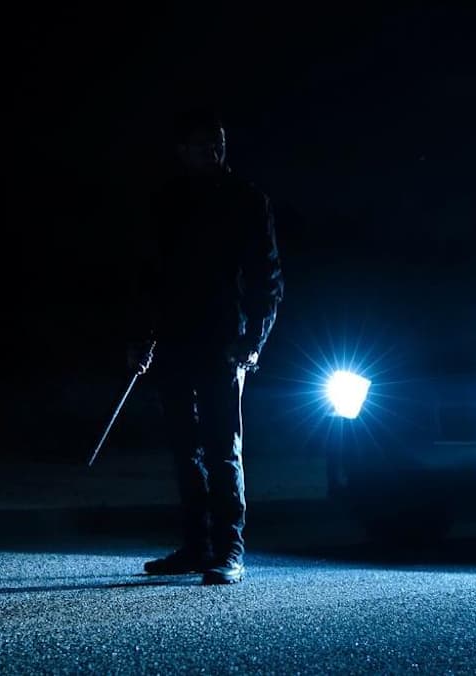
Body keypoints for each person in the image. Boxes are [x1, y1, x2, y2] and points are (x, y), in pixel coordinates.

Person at [133, 110, 282, 585]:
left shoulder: (247, 200)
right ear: (182, 151)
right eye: (201, 145)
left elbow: (267, 277)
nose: (212, 151)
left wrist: (253, 340)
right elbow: (150, 276)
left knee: (222, 447)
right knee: (185, 447)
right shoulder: (167, 201)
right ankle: (197, 545)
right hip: (174, 338)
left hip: (224, 341)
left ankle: (229, 550)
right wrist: (141, 336)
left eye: (217, 143)